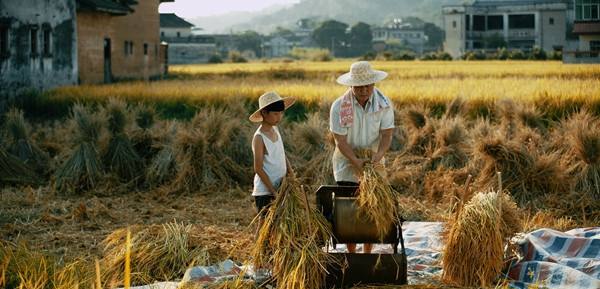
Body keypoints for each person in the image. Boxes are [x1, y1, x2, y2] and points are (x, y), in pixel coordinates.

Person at [329, 61, 395, 254]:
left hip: (373, 164)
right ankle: (351, 253)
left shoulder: (384, 104)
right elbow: (339, 140)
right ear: (352, 85)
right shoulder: (340, 106)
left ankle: (367, 253)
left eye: (368, 85)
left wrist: (378, 156)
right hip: (346, 162)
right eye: (359, 86)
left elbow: (387, 134)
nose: (364, 90)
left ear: (373, 84)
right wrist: (355, 161)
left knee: (371, 210)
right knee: (349, 211)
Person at [249, 91, 295, 225]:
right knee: (265, 225)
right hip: (265, 191)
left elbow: (282, 154)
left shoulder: (276, 130)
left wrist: (291, 174)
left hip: (281, 186)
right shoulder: (259, 137)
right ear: (264, 113)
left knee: (279, 225)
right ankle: (259, 247)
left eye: (281, 113)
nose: (279, 117)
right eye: (275, 114)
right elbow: (258, 168)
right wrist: (273, 192)